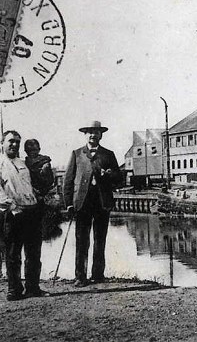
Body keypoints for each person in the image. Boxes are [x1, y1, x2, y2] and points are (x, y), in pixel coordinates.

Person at [0, 130, 48, 301]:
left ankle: (33, 287)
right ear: (2, 143)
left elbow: (34, 184)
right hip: (14, 215)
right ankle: (14, 289)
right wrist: (14, 208)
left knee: (34, 254)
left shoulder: (24, 164)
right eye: (11, 141)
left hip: (32, 212)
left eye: (17, 142)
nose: (14, 145)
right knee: (13, 255)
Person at [63, 121, 121, 287]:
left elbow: (119, 179)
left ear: (101, 135)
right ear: (85, 135)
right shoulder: (77, 154)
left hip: (102, 203)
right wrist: (68, 204)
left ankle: (98, 275)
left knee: (99, 240)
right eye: (89, 132)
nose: (93, 135)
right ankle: (80, 277)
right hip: (82, 204)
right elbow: (68, 181)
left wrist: (110, 174)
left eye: (96, 132)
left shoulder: (108, 154)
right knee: (81, 242)